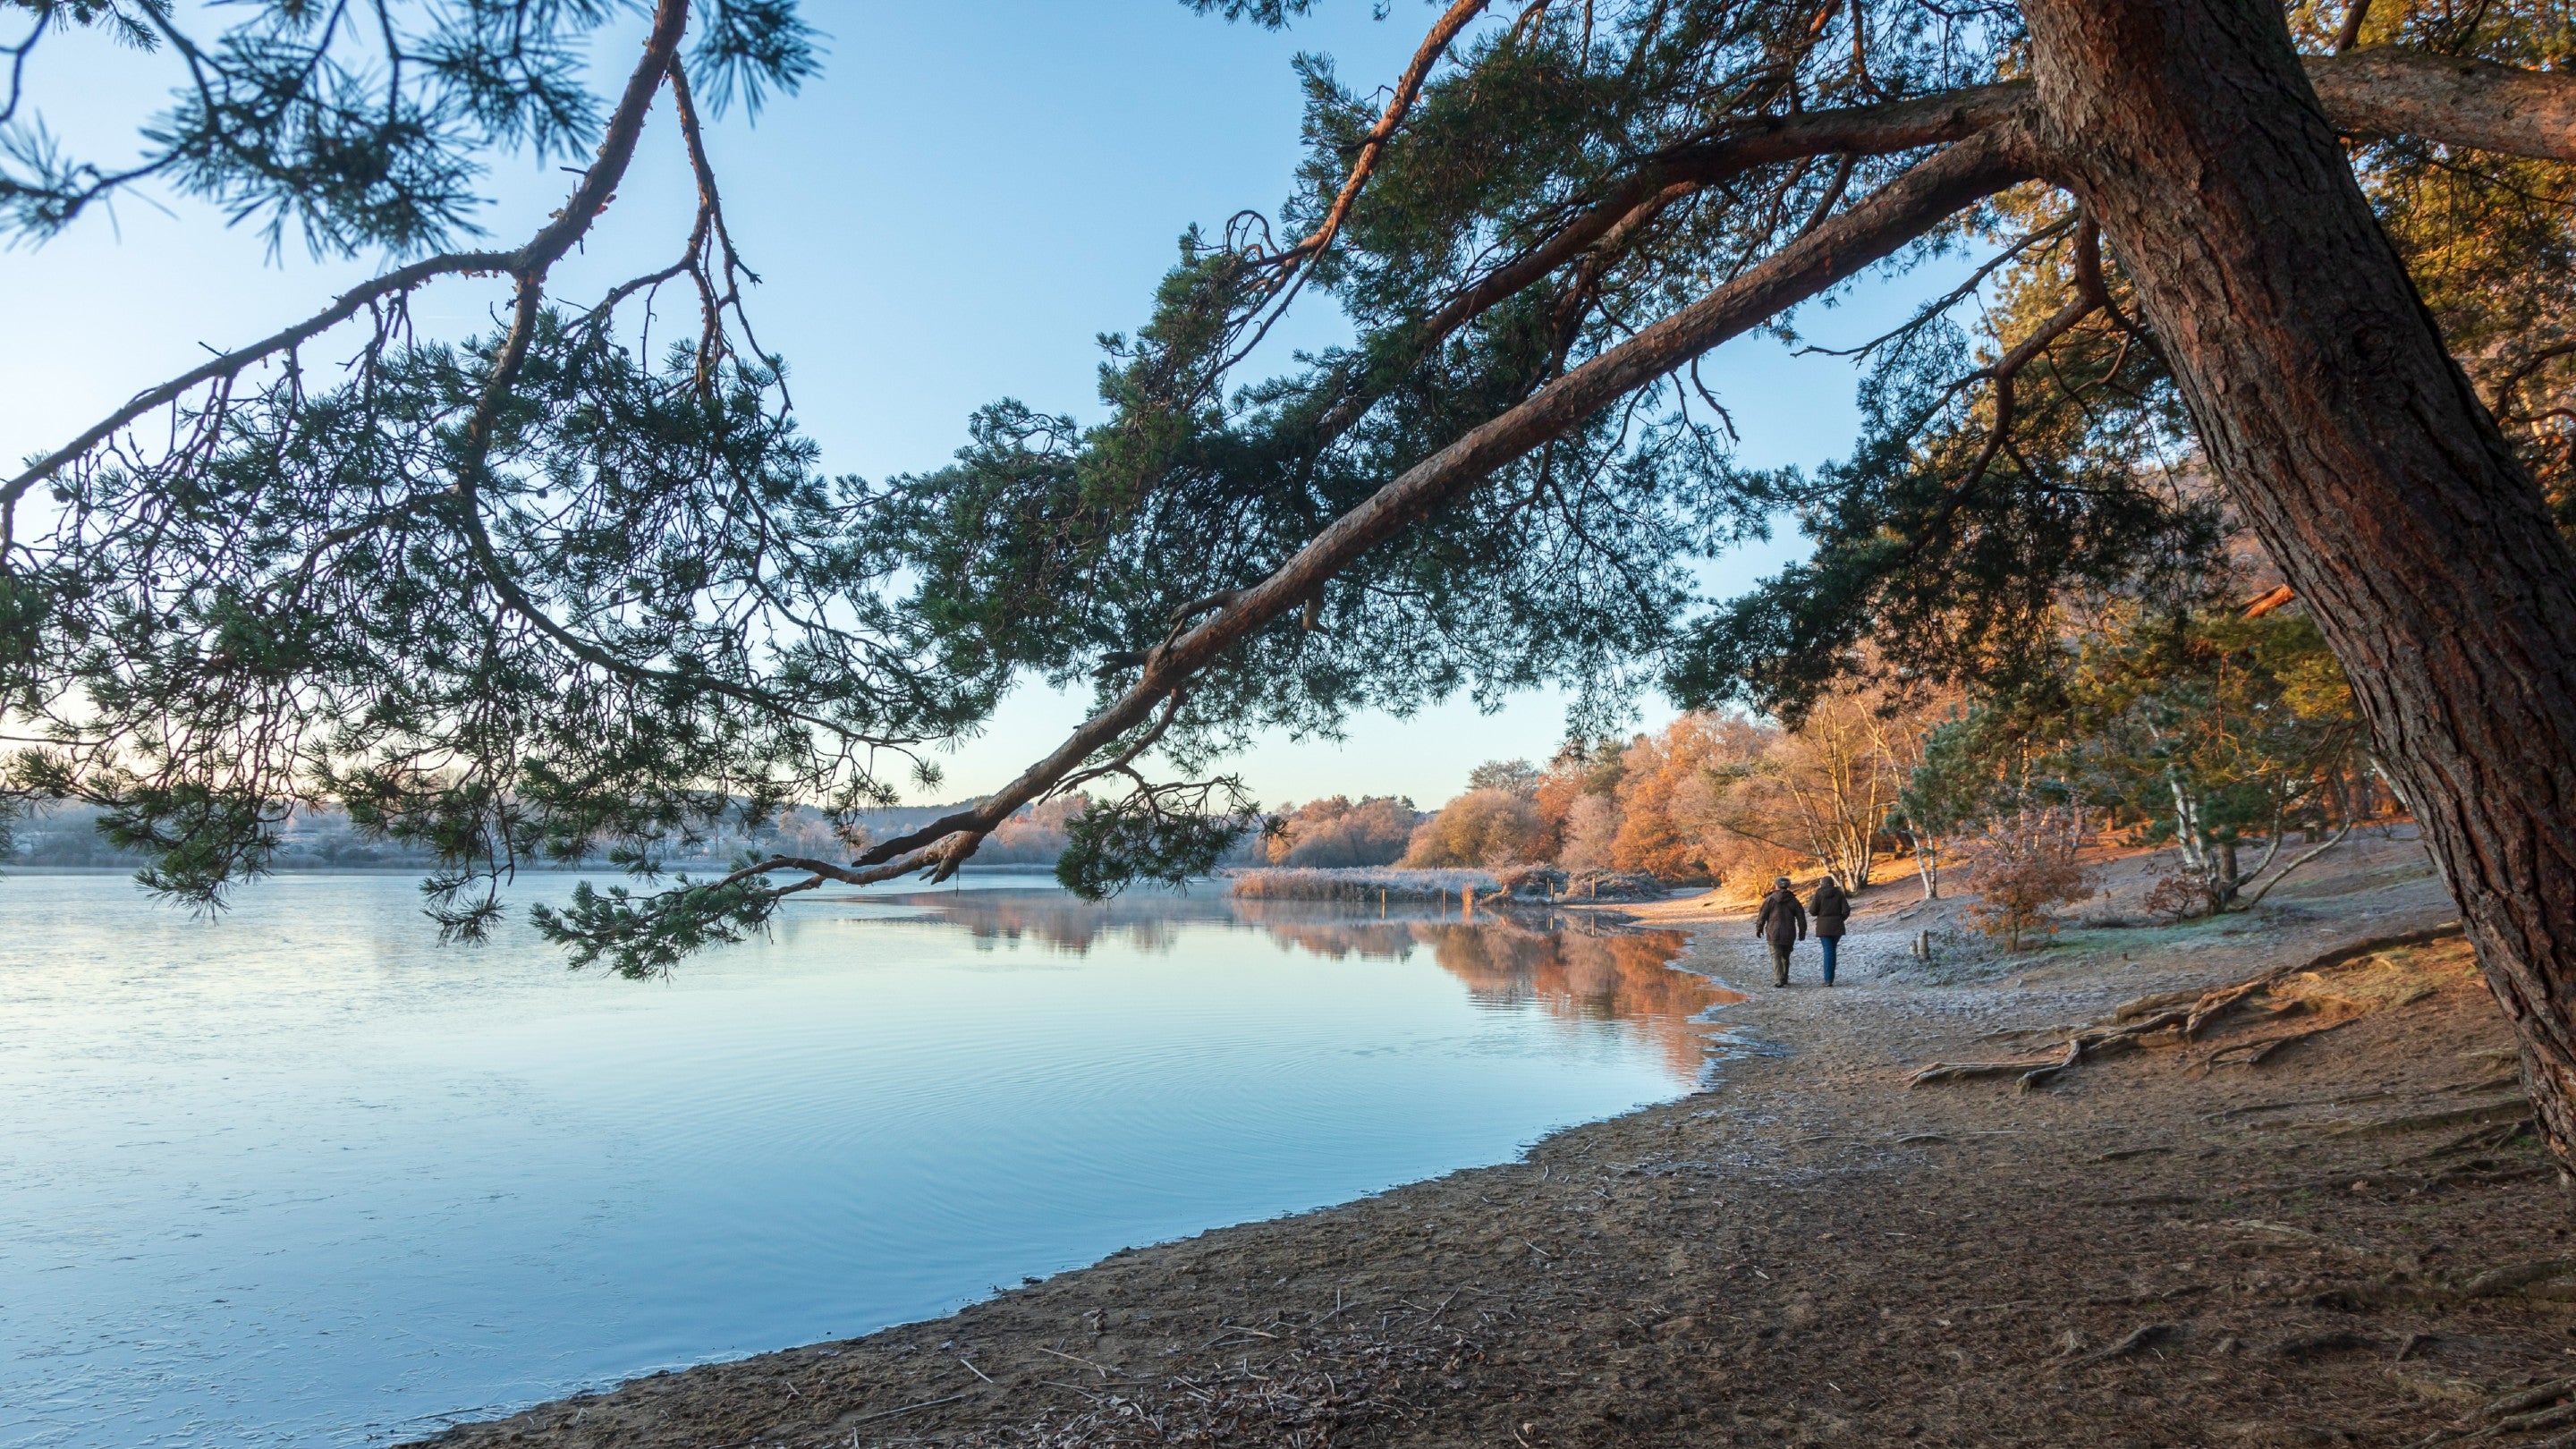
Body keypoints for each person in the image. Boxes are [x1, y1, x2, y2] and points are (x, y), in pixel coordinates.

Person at [1755, 876, 1807, 987]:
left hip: (1773, 932)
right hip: (1789, 932)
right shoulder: (1794, 900)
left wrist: (1759, 928)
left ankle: (1779, 979)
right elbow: (1801, 918)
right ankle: (1784, 978)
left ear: (1776, 886)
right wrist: (1802, 932)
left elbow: (1762, 916)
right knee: (1785, 956)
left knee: (1775, 956)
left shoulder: (1770, 899)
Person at [1809, 874, 1851, 986]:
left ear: (1822, 884)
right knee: (1832, 950)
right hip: (1837, 926)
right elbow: (1846, 910)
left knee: (1828, 951)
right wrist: (1840, 919)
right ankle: (1829, 978)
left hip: (1823, 927)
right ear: (1833, 883)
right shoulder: (1839, 893)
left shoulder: (1819, 893)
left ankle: (1828, 979)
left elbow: (1812, 911)